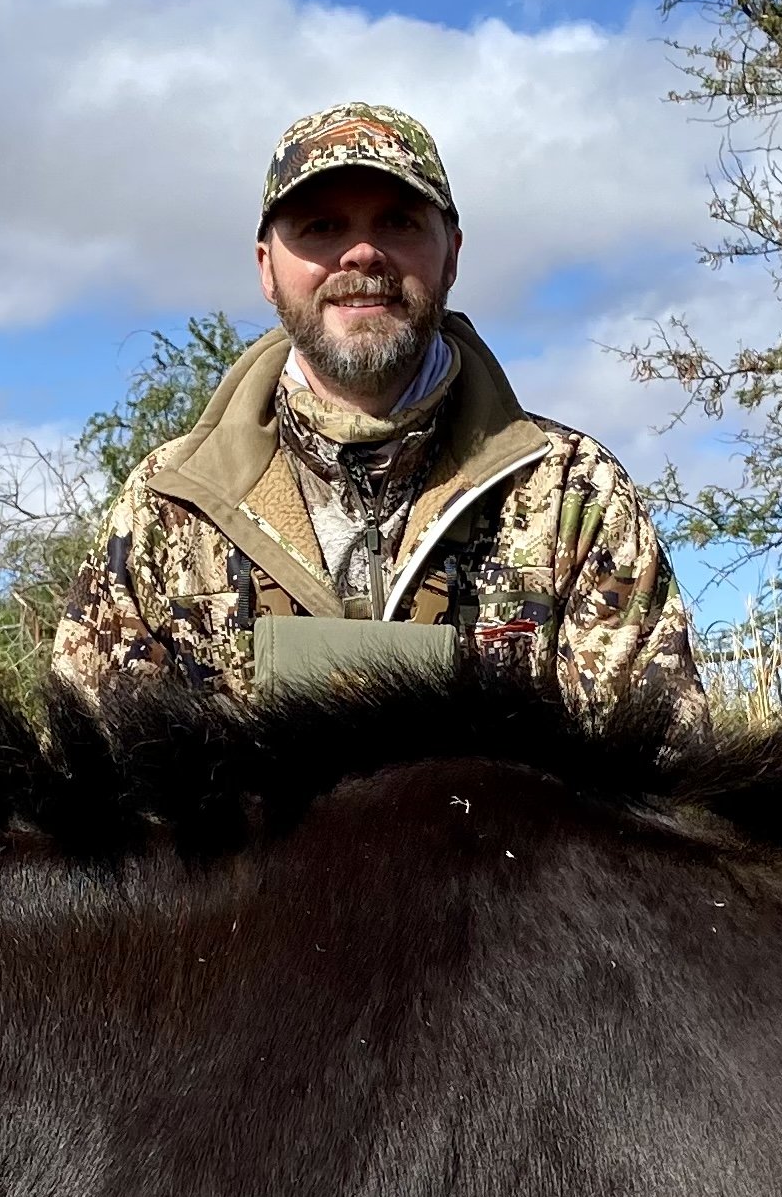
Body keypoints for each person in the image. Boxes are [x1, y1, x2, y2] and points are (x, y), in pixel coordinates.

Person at [50, 103, 701, 728]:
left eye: (398, 221)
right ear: (266, 269)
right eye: (322, 227)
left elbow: (659, 791)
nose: (362, 254)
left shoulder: (572, 495)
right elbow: (99, 806)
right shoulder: (166, 506)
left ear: (452, 254)